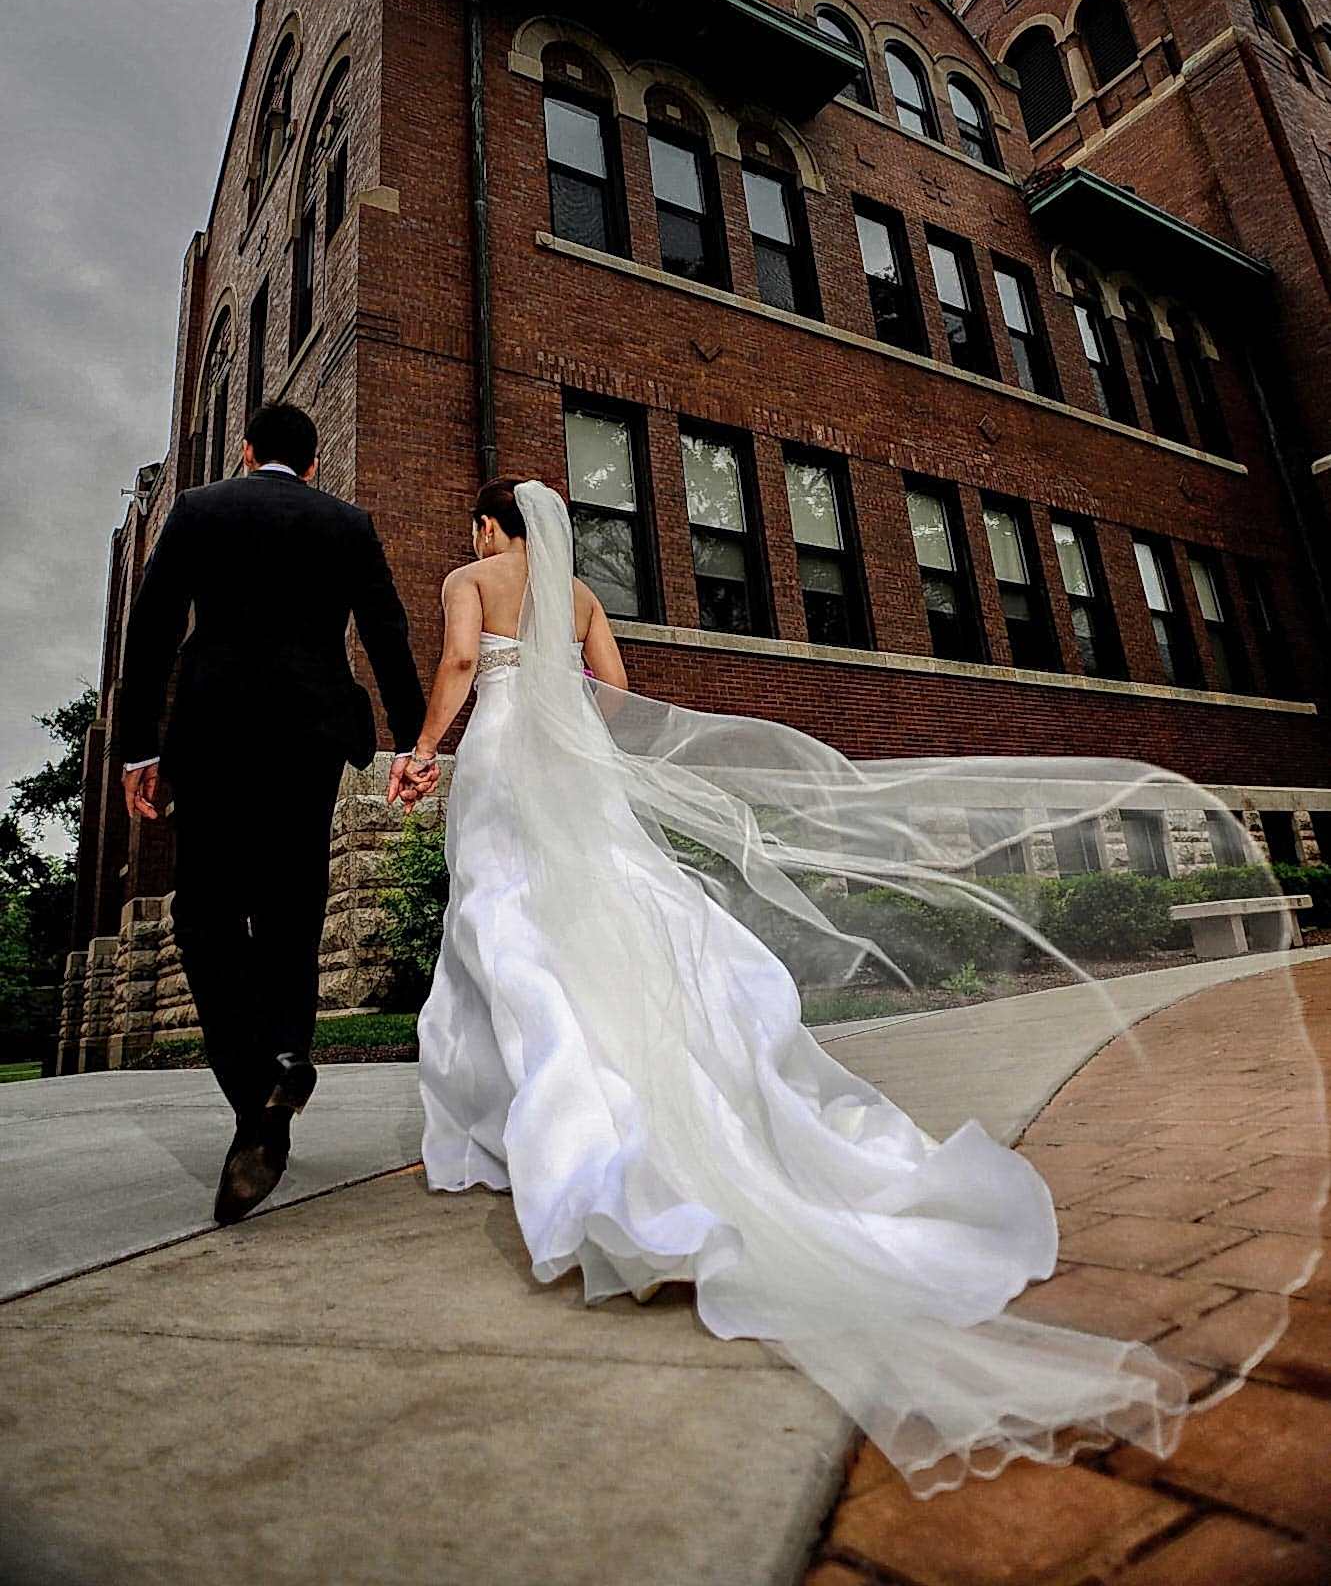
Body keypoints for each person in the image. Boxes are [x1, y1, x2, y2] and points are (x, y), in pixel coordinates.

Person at [407, 476, 1286, 1495]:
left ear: (486, 525)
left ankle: (518, 1123)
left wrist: (427, 749)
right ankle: (623, 1087)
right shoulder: (582, 597)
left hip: (507, 756)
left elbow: (463, 661)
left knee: (502, 923)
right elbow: (611, 691)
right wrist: (580, 737)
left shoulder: (468, 575)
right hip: (576, 763)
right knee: (622, 915)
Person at [120, 401, 431, 1225]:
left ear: (247, 449)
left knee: (206, 909)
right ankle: (287, 1055)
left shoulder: (199, 509)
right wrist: (411, 738)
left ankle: (257, 1083)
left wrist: (138, 751)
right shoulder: (347, 522)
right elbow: (386, 631)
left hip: (214, 729)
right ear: (315, 464)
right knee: (293, 901)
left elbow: (149, 631)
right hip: (310, 730)